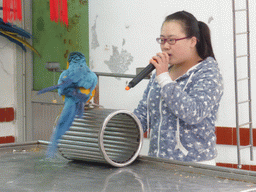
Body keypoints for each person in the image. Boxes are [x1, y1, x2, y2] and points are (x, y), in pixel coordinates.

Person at [133, 11, 223, 165]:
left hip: (195, 167)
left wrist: (164, 78)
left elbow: (193, 113)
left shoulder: (208, 73)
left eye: (172, 40)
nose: (165, 46)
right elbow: (144, 114)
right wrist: (114, 127)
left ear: (192, 41)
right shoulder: (162, 73)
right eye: (162, 40)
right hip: (158, 163)